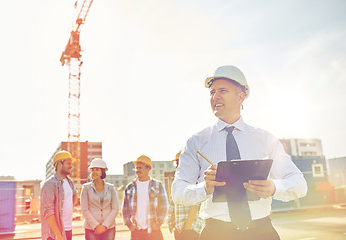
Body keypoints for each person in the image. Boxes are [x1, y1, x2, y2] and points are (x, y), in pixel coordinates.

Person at [171, 65, 308, 240]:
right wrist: (204, 187)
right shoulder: (195, 142)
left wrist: (273, 187)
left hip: (262, 232)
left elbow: (299, 184)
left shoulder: (266, 139)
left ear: (240, 96)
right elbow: (177, 192)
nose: (215, 97)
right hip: (215, 233)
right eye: (212, 92)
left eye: (222, 91)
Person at [122, 155, 168, 240]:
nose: (137, 170)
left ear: (148, 168)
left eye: (140, 168)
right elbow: (125, 208)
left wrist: (158, 224)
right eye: (136, 168)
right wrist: (129, 225)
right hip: (136, 231)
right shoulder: (130, 187)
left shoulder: (158, 185)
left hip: (153, 230)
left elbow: (163, 206)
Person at [41, 150, 78, 240]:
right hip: (54, 234)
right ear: (59, 164)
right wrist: (58, 234)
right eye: (68, 163)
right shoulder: (49, 184)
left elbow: (75, 196)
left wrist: (68, 211)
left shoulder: (70, 182)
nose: (71, 166)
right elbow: (48, 211)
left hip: (68, 229)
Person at [168, 150, 204, 240]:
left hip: (191, 230)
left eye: (179, 162)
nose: (177, 165)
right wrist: (172, 224)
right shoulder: (177, 182)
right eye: (176, 163)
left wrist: (187, 228)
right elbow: (172, 204)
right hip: (179, 230)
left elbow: (195, 205)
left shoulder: (195, 180)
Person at [80, 158, 119, 240]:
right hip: (91, 229)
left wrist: (105, 226)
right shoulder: (86, 188)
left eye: (97, 169)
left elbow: (115, 208)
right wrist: (96, 226)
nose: (94, 172)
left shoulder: (111, 188)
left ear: (103, 171)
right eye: (92, 170)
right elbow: (84, 209)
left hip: (109, 228)